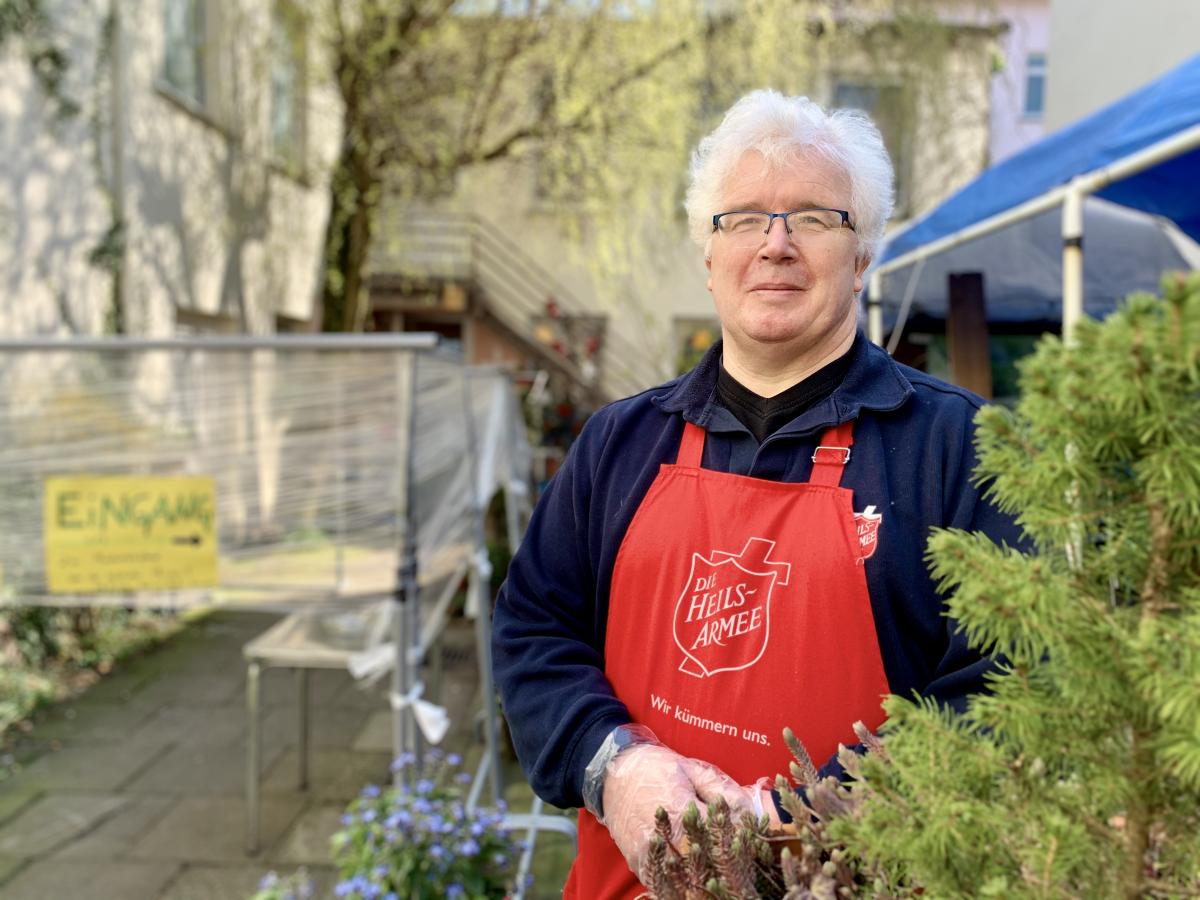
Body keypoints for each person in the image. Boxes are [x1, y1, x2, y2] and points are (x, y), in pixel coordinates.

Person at [491, 89, 1022, 899]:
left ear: (864, 253)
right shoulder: (618, 445)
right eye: (742, 218)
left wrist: (797, 814)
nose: (774, 245)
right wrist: (616, 769)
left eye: (814, 217)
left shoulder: (961, 453)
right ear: (709, 257)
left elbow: (1007, 692)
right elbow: (533, 629)